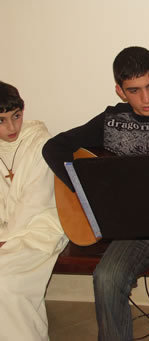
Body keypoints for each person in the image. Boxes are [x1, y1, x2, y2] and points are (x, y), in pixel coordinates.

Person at [42, 46, 149, 341]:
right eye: (134, 90)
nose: (146, 99)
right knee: (106, 277)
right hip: (136, 227)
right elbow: (53, 148)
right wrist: (84, 192)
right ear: (120, 91)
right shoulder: (111, 121)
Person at [0, 81, 68, 340]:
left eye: (16, 117)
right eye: (2, 121)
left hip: (40, 229)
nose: (12, 127)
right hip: (6, 233)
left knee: (6, 284)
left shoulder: (40, 143)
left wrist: (6, 240)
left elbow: (35, 202)